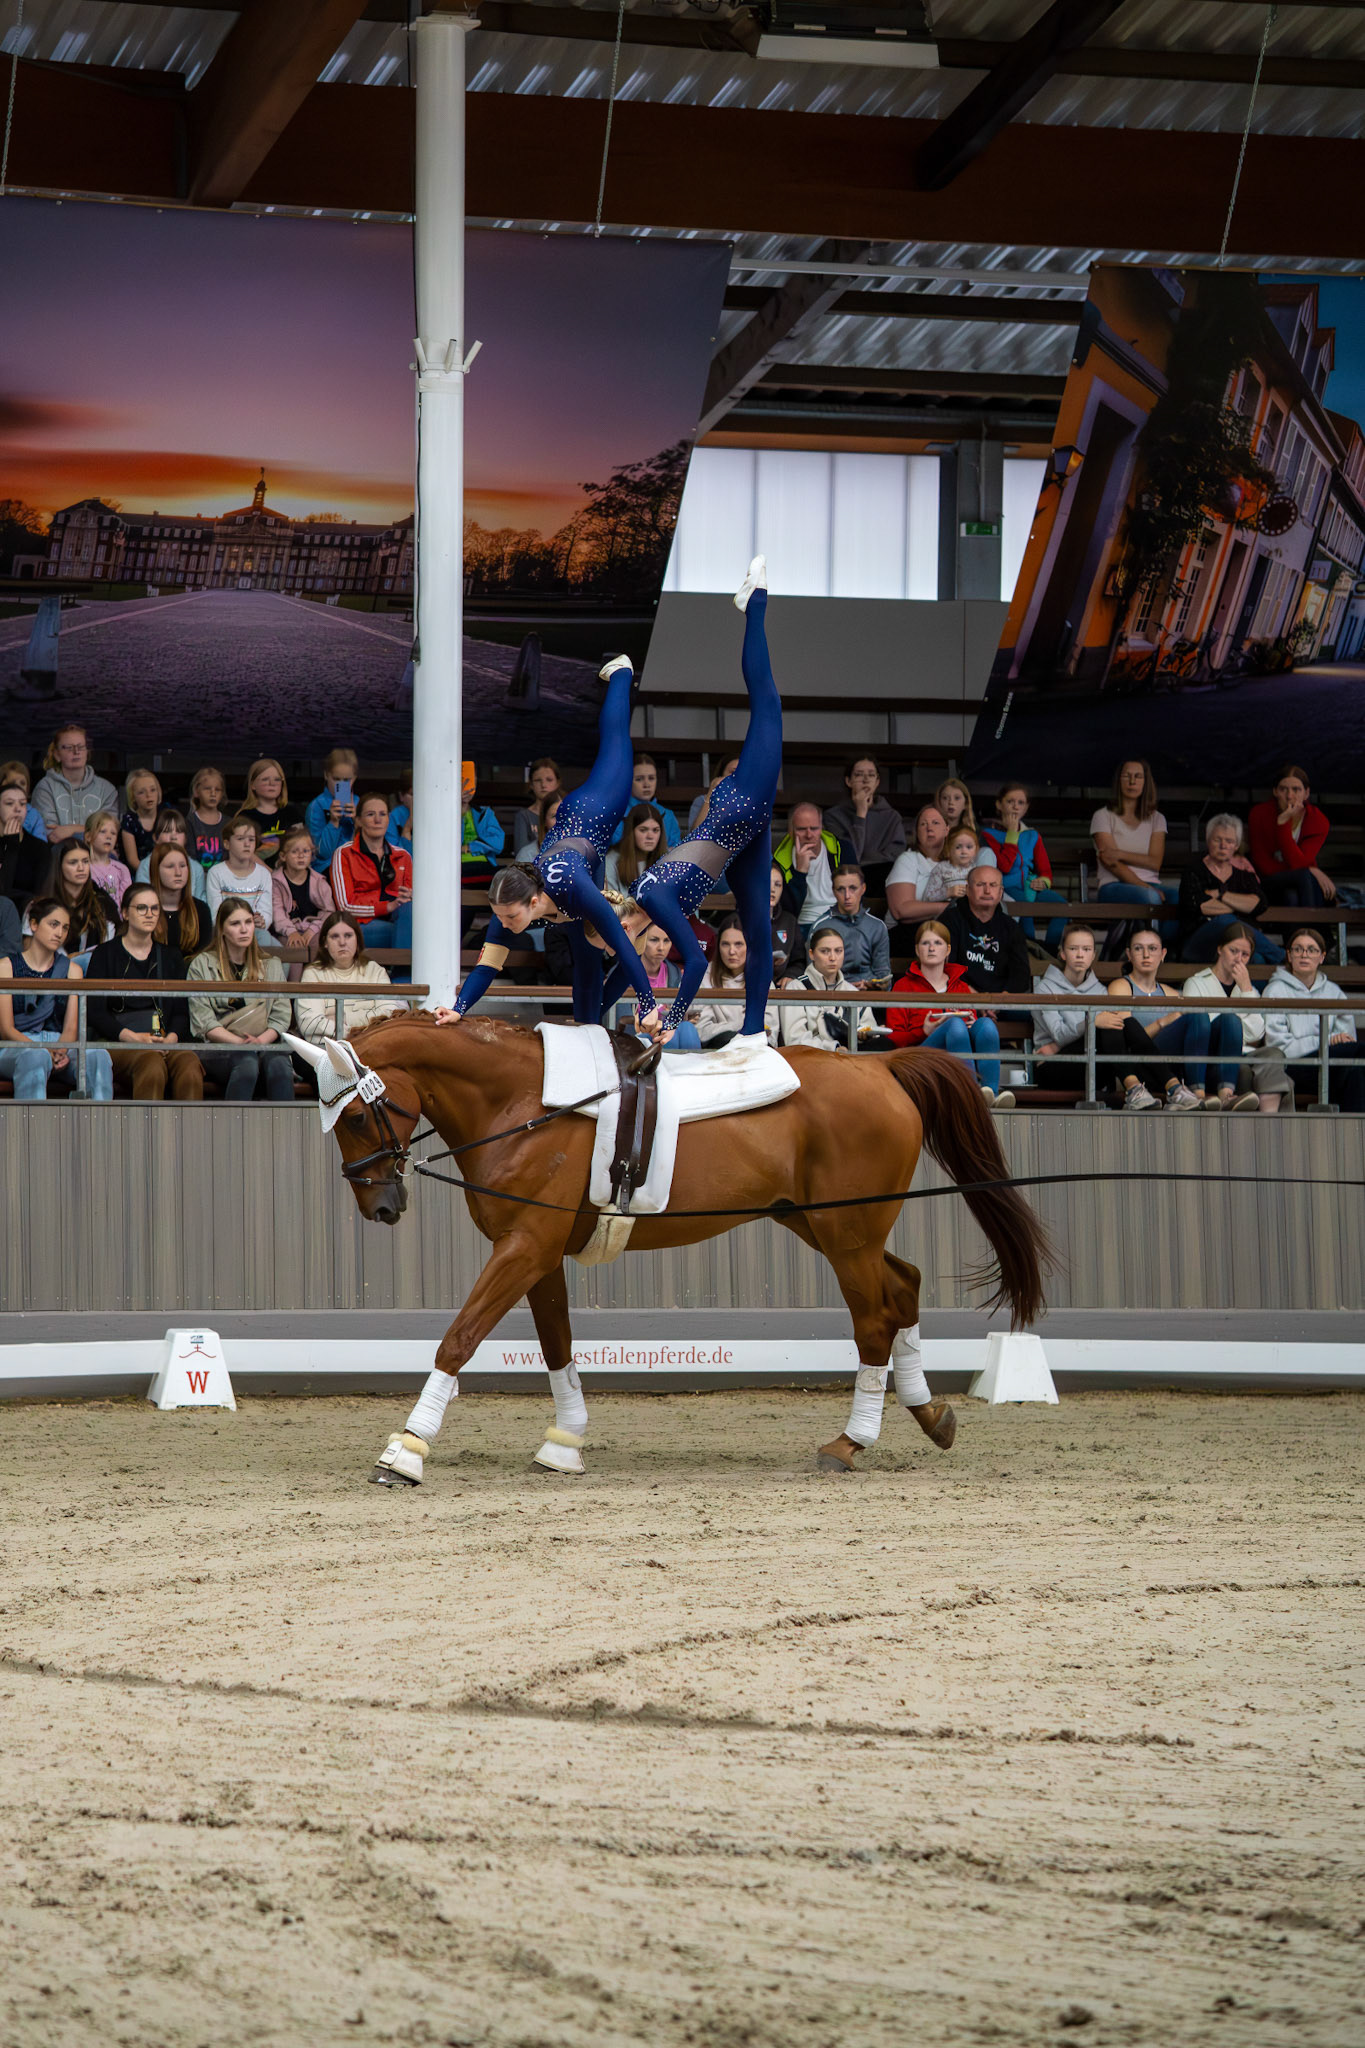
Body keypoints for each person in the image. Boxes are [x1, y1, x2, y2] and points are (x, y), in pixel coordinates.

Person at [445, 651, 652, 1029]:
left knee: (617, 744)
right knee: (586, 962)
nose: (504, 923)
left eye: (510, 916)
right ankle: (590, 1029)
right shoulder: (509, 905)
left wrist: (648, 1003)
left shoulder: (573, 888)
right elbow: (488, 966)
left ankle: (622, 673)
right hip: (577, 853)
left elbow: (624, 947)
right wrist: (458, 1009)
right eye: (500, 916)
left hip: (595, 809)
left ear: (533, 901)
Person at [624, 559, 784, 1047]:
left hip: (736, 812)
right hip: (737, 838)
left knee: (768, 705)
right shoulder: (645, 899)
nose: (628, 940)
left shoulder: (651, 897)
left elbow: (695, 961)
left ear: (629, 922)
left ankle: (755, 603)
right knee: (759, 930)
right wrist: (647, 1006)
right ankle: (753, 1032)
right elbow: (631, 968)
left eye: (623, 934)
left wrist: (669, 1019)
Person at [85, 884, 203, 1101]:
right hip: (119, 1039)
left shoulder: (171, 956)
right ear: (125, 913)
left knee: (189, 1063)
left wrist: (171, 1039)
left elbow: (181, 1011)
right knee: (151, 1062)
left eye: (154, 908)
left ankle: (191, 1125)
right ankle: (147, 1125)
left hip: (163, 1038)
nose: (149, 914)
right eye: (141, 908)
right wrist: (131, 1037)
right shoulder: (105, 953)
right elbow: (94, 1011)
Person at [887, 919, 1013, 1107]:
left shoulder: (961, 986)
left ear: (947, 950)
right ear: (917, 950)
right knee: (954, 1024)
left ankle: (991, 1094)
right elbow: (893, 1038)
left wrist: (971, 1024)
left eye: (937, 943)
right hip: (919, 1058)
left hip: (956, 1055)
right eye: (925, 943)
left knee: (986, 1025)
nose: (931, 948)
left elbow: (971, 1027)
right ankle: (972, 1094)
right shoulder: (902, 986)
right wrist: (923, 1031)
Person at [0, 897, 113, 1101]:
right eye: (53, 924)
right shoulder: (6, 967)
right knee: (36, 1056)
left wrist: (60, 1050)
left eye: (65, 928)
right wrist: (43, 1050)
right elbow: (7, 1029)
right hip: (16, 1046)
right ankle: (32, 1122)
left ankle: (100, 1121)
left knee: (98, 1055)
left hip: (61, 1044)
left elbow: (71, 1028)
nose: (59, 933)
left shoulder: (73, 970)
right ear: (34, 925)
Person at [187, 898, 295, 1100]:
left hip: (263, 1042)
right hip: (218, 1046)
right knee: (247, 1063)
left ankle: (287, 1122)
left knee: (280, 1066)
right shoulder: (201, 965)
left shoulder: (271, 965)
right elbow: (204, 1022)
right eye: (235, 924)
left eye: (248, 922)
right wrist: (242, 1043)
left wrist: (259, 1042)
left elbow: (280, 1016)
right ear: (222, 929)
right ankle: (234, 1121)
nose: (244, 929)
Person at [1095, 928, 1208, 1111]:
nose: (1146, 955)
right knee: (1129, 1023)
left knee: (1200, 1017)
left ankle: (1196, 1092)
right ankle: (1179, 1091)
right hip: (1137, 1065)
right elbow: (1126, 1038)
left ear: (1163, 954)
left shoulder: (1171, 993)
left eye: (1152, 948)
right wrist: (1162, 1023)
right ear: (1129, 954)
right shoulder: (1121, 986)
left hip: (1168, 1064)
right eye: (1138, 948)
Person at [1263, 927, 1365, 1112]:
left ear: (1322, 957)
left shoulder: (1334, 992)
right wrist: (1328, 1041)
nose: (1304, 955)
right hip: (1293, 1067)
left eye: (1311, 950)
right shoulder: (1275, 990)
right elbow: (1279, 1047)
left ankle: (1355, 1129)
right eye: (1298, 949)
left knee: (1357, 1070)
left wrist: (1334, 1042)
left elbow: (1347, 1041)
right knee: (1360, 1051)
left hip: (1330, 1066)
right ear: (1289, 955)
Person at [1182, 925, 1268, 1112]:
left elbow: (1255, 1034)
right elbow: (1200, 1029)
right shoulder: (1196, 983)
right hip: (1205, 1064)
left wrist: (1246, 990)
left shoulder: (1249, 990)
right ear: (1220, 949)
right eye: (1233, 951)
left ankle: (1227, 1098)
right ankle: (1210, 1097)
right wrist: (1235, 1033)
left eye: (1245, 954)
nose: (1238, 959)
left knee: (1245, 1064)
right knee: (1229, 1020)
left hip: (1233, 1062)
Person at [1180, 814, 1282, 963]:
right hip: (1199, 945)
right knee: (1225, 920)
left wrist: (1221, 894)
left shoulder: (1244, 876)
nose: (1223, 846)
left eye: (1229, 841)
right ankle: (1281, 956)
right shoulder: (1193, 872)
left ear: (1236, 845)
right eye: (1217, 840)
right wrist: (1240, 907)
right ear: (1208, 841)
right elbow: (1199, 906)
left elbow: (1259, 904)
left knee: (1257, 959)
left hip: (1238, 944)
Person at [1090, 759, 1176, 931]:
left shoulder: (1157, 818)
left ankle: (1166, 945)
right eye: (1126, 776)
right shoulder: (1102, 816)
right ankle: (1148, 944)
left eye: (1138, 776)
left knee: (1178, 898)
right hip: (1113, 885)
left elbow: (1154, 862)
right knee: (1150, 897)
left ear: (1146, 782)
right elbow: (1111, 862)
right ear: (1118, 781)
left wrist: (1120, 853)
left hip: (1151, 884)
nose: (1132, 781)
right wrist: (1145, 887)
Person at [981, 783, 1066, 951]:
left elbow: (1045, 870)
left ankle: (1048, 951)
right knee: (1024, 908)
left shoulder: (1032, 835)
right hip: (1006, 888)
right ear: (999, 804)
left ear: (1026, 807)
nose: (1015, 806)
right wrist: (1012, 833)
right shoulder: (988, 834)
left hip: (1029, 888)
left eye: (1020, 802)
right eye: (1010, 801)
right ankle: (1030, 951)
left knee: (1062, 907)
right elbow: (1005, 866)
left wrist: (1043, 882)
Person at [295, 911, 400, 1045]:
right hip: (326, 1050)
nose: (342, 942)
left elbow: (389, 1016)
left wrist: (343, 1018)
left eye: (348, 935)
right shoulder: (312, 974)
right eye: (335, 936)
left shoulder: (375, 971)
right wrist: (361, 1031)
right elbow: (310, 1024)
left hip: (371, 1048)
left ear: (357, 939)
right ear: (325, 942)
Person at [329, 793, 414, 949]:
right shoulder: (344, 854)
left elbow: (411, 897)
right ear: (358, 820)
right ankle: (402, 965)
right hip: (362, 923)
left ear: (388, 819)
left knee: (410, 911)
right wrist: (387, 906)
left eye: (383, 814)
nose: (377, 820)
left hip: (400, 918)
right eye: (370, 814)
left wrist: (409, 897)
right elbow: (345, 906)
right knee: (413, 934)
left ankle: (401, 962)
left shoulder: (403, 856)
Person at [1031, 923, 1106, 1095]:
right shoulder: (1045, 988)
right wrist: (1092, 1021)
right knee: (1100, 1029)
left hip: (1091, 1062)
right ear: (1063, 953)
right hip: (1052, 1065)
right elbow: (1059, 1033)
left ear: (1093, 955)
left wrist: (1055, 1046)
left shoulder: (1101, 991)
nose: (1080, 955)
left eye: (1086, 949)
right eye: (1073, 948)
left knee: (1108, 1032)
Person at [1247, 765, 1335, 910]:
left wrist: (1307, 869)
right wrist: (1311, 869)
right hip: (1266, 880)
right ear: (1275, 791)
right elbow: (1263, 864)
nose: (1289, 796)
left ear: (1306, 793)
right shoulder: (1259, 814)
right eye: (1283, 789)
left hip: (1301, 882)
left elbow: (1300, 863)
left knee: (1292, 895)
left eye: (1296, 789)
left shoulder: (1317, 820)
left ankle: (1307, 925)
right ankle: (1311, 924)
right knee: (1304, 876)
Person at [941, 867, 1032, 1001]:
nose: (987, 891)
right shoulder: (949, 920)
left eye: (993, 885)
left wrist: (1002, 999)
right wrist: (974, 997)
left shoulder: (1011, 927)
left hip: (1002, 1000)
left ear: (1001, 892)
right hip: (961, 997)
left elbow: (1021, 973)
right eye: (980, 884)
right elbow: (944, 967)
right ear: (968, 890)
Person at [824, 755, 906, 893]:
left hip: (881, 880)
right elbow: (848, 857)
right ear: (848, 781)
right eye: (859, 775)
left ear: (877, 781)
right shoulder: (833, 816)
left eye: (871, 775)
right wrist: (860, 814)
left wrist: (864, 861)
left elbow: (894, 857)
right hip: (845, 882)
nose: (866, 779)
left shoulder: (892, 817)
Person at [780, 926, 871, 1051]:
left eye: (838, 951)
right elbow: (794, 1040)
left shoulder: (852, 991)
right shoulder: (795, 988)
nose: (833, 957)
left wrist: (867, 1035)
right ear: (811, 954)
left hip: (852, 1057)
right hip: (812, 1058)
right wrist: (833, 1048)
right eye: (825, 951)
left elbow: (869, 1027)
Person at [691, 921, 778, 1048]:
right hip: (716, 1048)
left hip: (756, 1048)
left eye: (739, 944)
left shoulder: (762, 978)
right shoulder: (702, 976)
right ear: (718, 946)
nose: (732, 951)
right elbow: (702, 1030)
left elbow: (770, 1032)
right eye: (725, 944)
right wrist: (742, 1027)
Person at [31, 725, 118, 844]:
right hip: (58, 853)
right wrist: (92, 831)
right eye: (69, 748)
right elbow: (52, 835)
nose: (76, 752)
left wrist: (71, 829)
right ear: (57, 754)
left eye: (81, 747)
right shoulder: (45, 788)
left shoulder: (107, 790)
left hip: (97, 854)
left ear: (87, 752)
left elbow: (109, 832)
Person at [41, 840, 116, 961]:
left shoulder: (102, 902)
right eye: (73, 862)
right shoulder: (42, 905)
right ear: (58, 866)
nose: (81, 868)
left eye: (85, 861)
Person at [207, 815, 277, 940]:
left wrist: (262, 921)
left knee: (268, 940)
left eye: (251, 839)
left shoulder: (263, 874)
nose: (247, 844)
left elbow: (266, 912)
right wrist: (238, 924)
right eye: (240, 839)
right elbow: (215, 915)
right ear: (227, 844)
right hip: (226, 933)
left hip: (255, 932)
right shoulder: (216, 873)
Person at [772, 801, 838, 932]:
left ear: (821, 828)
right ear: (790, 831)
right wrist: (800, 872)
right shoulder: (779, 861)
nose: (809, 835)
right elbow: (786, 910)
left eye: (814, 828)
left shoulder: (841, 850)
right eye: (801, 829)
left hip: (838, 919)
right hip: (802, 924)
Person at [884, 805, 951, 928]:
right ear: (917, 832)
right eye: (923, 824)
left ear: (946, 830)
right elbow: (900, 910)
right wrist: (948, 908)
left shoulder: (955, 863)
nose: (929, 828)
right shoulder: (908, 859)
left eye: (935, 823)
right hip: (904, 932)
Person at [271, 825, 334, 956]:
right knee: (293, 948)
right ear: (283, 856)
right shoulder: (276, 882)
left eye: (306, 851)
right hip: (286, 931)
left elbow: (329, 911)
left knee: (321, 944)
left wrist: (313, 929)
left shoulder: (319, 882)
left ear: (312, 854)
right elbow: (277, 913)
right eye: (294, 852)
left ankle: (316, 970)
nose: (301, 856)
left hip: (314, 929)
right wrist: (291, 932)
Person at [824, 865, 891, 987]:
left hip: (869, 994)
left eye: (853, 888)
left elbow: (884, 975)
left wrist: (873, 987)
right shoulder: (821, 926)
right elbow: (814, 978)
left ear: (863, 888)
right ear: (833, 891)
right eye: (841, 889)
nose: (847, 896)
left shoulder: (877, 926)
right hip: (833, 995)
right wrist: (846, 988)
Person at [237, 759, 305, 868]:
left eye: (277, 779)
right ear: (253, 784)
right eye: (265, 779)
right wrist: (269, 873)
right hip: (255, 872)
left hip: (289, 872)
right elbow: (243, 851)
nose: (272, 783)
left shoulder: (292, 813)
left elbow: (302, 845)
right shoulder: (245, 816)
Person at [134, 809, 210, 902]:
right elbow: (142, 899)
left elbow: (200, 902)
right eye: (167, 831)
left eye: (179, 831)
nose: (173, 837)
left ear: (186, 838)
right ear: (155, 838)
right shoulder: (146, 865)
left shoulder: (196, 868)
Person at [305, 747, 360, 871]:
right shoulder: (316, 806)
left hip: (354, 865)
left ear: (354, 778)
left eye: (346, 780)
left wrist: (357, 823)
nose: (341, 785)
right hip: (327, 867)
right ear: (326, 775)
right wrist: (333, 822)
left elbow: (368, 846)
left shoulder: (359, 803)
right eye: (336, 779)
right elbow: (322, 853)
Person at [609, 754, 682, 849]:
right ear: (627, 780)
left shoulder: (668, 815)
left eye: (651, 778)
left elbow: (676, 851)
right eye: (639, 779)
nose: (647, 784)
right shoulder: (614, 814)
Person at [0, 780, 49, 916]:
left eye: (22, 803)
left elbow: (38, 894)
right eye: (9, 803)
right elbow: (2, 891)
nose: (18, 809)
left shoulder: (39, 847)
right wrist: (11, 847)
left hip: (27, 914)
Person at [148, 842, 204, 958]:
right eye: (170, 866)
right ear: (156, 870)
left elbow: (203, 957)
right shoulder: (145, 910)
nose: (178, 873)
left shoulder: (201, 910)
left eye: (183, 866)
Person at [605, 803, 665, 894]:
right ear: (631, 831)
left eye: (655, 830)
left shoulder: (667, 861)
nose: (650, 836)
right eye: (643, 830)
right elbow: (611, 901)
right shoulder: (611, 861)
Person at [460, 765, 504, 886]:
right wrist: (458, 811)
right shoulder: (444, 815)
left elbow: (498, 844)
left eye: (471, 781)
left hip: (484, 864)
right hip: (455, 866)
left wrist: (469, 847)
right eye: (462, 781)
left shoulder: (485, 813)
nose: (467, 788)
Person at [510, 758, 565, 853]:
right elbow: (521, 853)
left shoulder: (567, 812)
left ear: (557, 783)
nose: (543, 785)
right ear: (531, 784)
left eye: (549, 780)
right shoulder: (523, 816)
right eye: (538, 780)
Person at [919, 825, 982, 906]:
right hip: (947, 910)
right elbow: (927, 897)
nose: (964, 851)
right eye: (958, 847)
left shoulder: (977, 870)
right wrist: (948, 892)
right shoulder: (941, 868)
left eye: (969, 847)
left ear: (976, 849)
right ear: (949, 848)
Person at [84, 810, 132, 910]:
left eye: (113, 833)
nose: (109, 837)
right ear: (88, 836)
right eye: (103, 831)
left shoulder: (122, 869)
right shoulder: (83, 868)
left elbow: (127, 903)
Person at [118, 768, 163, 871]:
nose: (148, 795)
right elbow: (133, 861)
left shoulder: (166, 816)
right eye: (141, 792)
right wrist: (152, 875)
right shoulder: (129, 821)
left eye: (153, 790)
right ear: (133, 797)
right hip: (139, 873)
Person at [186, 766, 228, 872]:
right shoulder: (189, 822)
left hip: (223, 877)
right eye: (207, 789)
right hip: (198, 877)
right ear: (196, 792)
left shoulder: (229, 823)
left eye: (217, 790)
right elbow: (190, 857)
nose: (213, 794)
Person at [934, 778, 993, 854]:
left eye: (957, 798)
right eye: (945, 798)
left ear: (966, 804)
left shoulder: (976, 832)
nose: (951, 802)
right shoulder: (931, 830)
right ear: (939, 802)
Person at [769, 863, 806, 982]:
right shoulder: (740, 920)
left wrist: (790, 975)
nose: (772, 889)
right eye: (766, 883)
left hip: (780, 986)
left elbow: (799, 961)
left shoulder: (789, 920)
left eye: (777, 885)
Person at [0, 761, 47, 843]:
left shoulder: (34, 815)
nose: (18, 787)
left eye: (22, 783)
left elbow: (41, 843)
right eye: (12, 783)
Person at [514, 793, 561, 864]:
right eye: (555, 816)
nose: (561, 820)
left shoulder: (579, 850)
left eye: (566, 814)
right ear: (544, 821)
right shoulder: (527, 855)